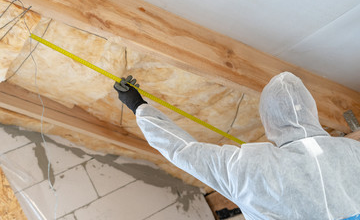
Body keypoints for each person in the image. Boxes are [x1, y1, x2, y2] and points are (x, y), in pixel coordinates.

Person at [114, 72, 360, 220]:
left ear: (268, 119)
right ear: (311, 109)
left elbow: (183, 150)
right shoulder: (353, 152)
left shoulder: (250, 167)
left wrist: (139, 106)